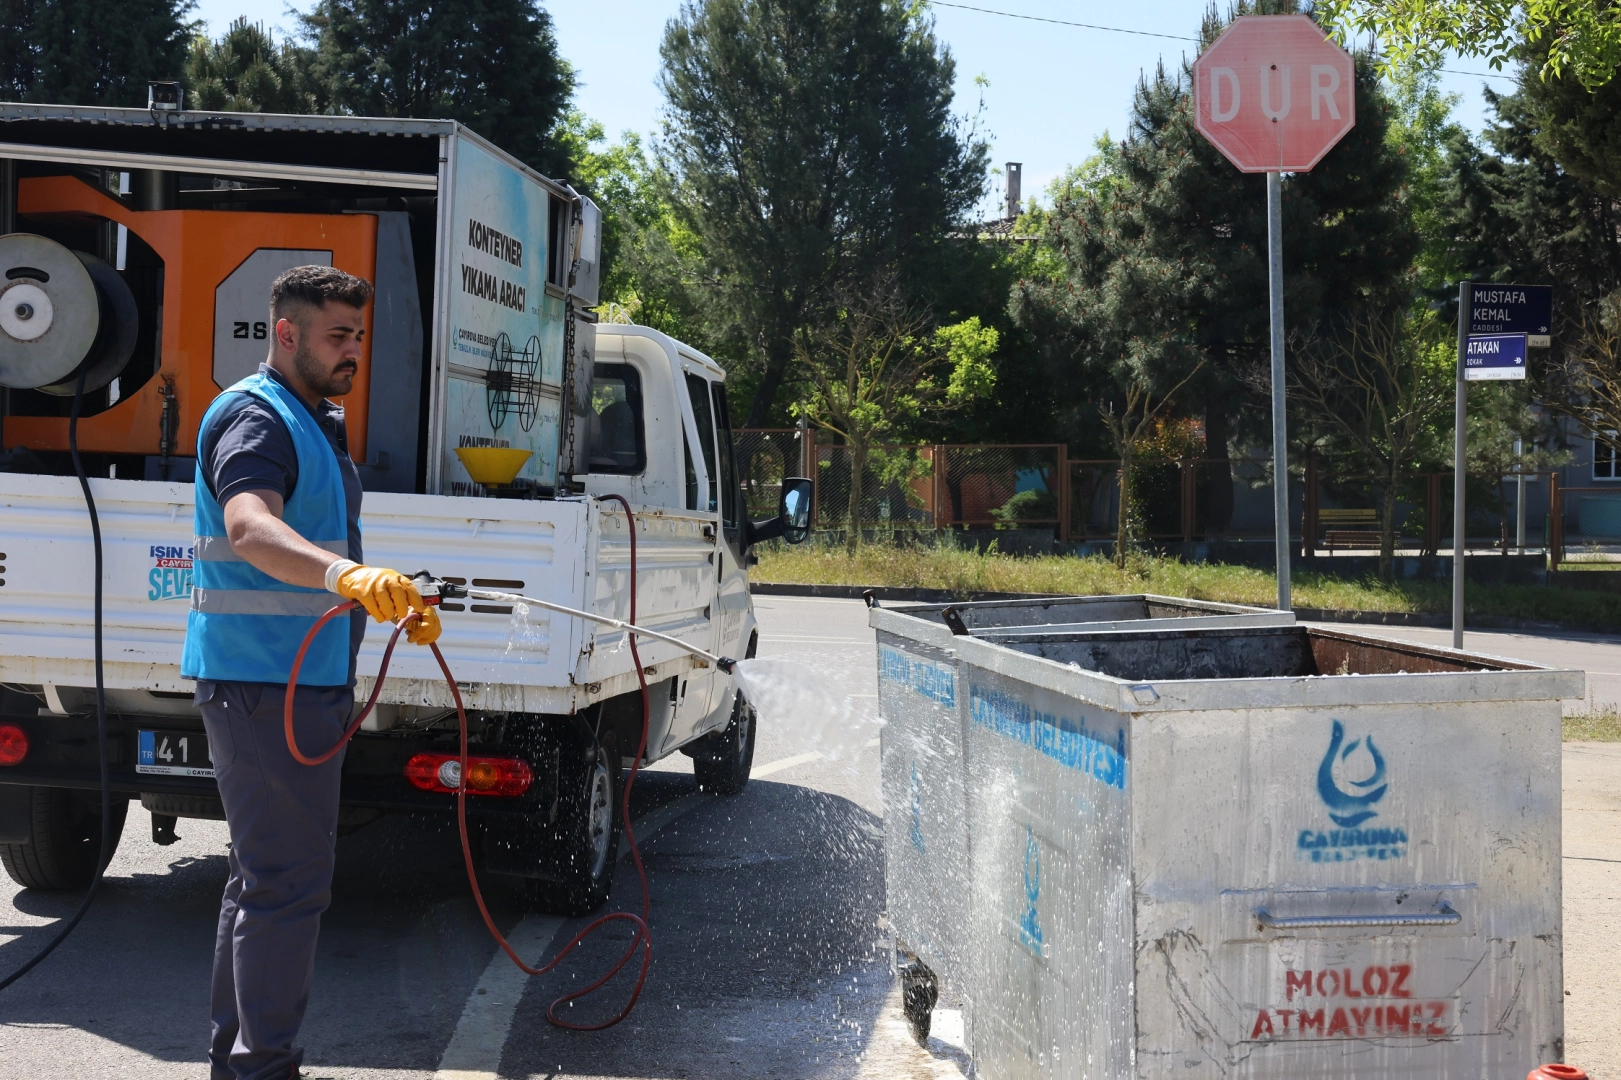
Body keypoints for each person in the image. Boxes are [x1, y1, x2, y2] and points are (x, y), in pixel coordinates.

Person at [180, 265, 441, 1080]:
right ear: (284, 333)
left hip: (287, 681)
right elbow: (252, 527)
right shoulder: (257, 418)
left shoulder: (307, 417)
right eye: (336, 335)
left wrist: (383, 595)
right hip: (261, 684)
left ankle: (242, 1062)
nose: (351, 352)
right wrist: (347, 579)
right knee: (288, 885)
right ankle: (261, 1068)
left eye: (358, 336)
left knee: (265, 880)